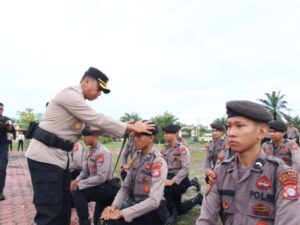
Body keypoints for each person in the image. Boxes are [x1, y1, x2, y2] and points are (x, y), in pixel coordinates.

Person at [25, 67, 155, 225]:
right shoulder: (70, 95)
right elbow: (96, 119)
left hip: (57, 159)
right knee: (50, 211)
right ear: (86, 81)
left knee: (63, 209)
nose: (99, 93)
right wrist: (129, 127)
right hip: (45, 159)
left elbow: (93, 128)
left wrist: (127, 126)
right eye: (99, 88)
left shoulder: (78, 103)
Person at [196, 100, 300, 225]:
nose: (231, 133)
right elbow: (205, 220)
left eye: (239, 126)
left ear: (261, 132)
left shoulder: (281, 175)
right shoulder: (220, 172)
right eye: (229, 126)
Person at [101, 121, 168, 225]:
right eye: (134, 136)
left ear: (151, 138)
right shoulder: (137, 158)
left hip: (153, 212)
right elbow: (126, 187)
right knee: (106, 219)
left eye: (139, 136)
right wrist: (114, 207)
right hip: (137, 205)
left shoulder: (158, 162)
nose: (135, 140)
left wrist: (122, 213)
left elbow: (154, 202)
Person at [71, 129, 120, 225]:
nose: (84, 138)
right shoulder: (90, 150)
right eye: (83, 136)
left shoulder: (103, 152)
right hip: (100, 187)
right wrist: (76, 180)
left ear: (94, 135)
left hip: (110, 187)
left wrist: (80, 184)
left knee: (77, 191)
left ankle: (84, 222)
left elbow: (101, 177)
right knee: (98, 219)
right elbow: (85, 172)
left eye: (86, 135)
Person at [161, 124, 202, 225]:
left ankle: (173, 214)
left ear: (175, 134)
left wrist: (172, 181)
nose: (164, 135)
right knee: (179, 209)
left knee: (163, 189)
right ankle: (197, 199)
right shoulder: (165, 149)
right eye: (164, 133)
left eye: (167, 133)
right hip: (169, 179)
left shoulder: (182, 149)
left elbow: (185, 169)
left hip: (180, 181)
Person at [0, 102, 13, 201]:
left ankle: (0, 192)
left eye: (1, 109)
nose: (0, 110)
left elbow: (10, 128)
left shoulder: (6, 119)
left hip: (2, 147)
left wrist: (7, 126)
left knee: (2, 169)